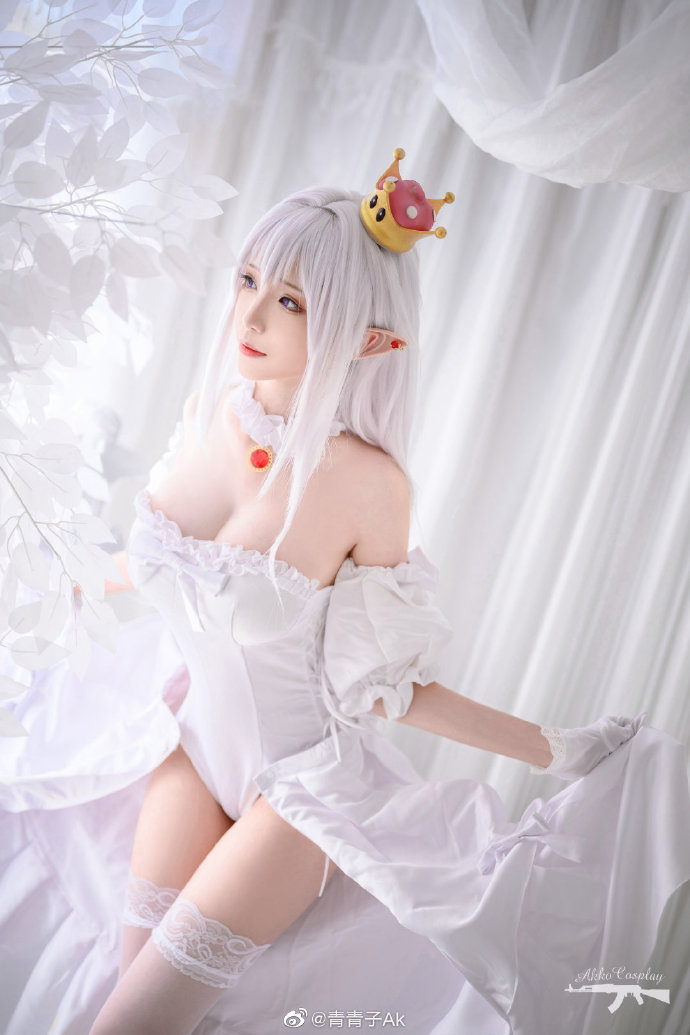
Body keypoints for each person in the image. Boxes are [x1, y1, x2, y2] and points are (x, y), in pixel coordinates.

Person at [1, 150, 689, 1035]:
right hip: (188, 749)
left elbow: (388, 687)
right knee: (125, 1002)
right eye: (250, 279)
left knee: (130, 1026)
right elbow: (163, 562)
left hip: (298, 796)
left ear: (369, 339)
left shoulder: (369, 485)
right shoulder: (215, 413)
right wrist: (44, 585)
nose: (251, 314)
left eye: (291, 301)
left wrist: (557, 749)